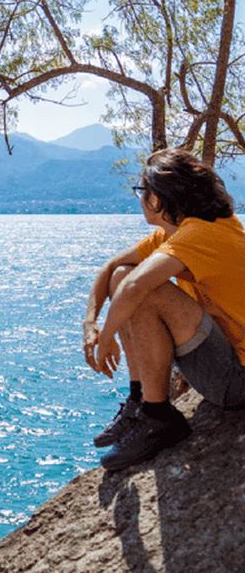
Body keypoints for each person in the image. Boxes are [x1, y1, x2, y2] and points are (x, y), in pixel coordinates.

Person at [84, 148, 245, 471]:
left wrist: (107, 338)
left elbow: (136, 287)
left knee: (143, 289)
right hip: (220, 362)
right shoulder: (179, 234)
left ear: (157, 199)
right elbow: (111, 268)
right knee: (122, 274)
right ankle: (139, 400)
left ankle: (158, 417)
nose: (140, 199)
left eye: (142, 192)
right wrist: (90, 323)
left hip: (237, 380)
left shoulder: (203, 234)